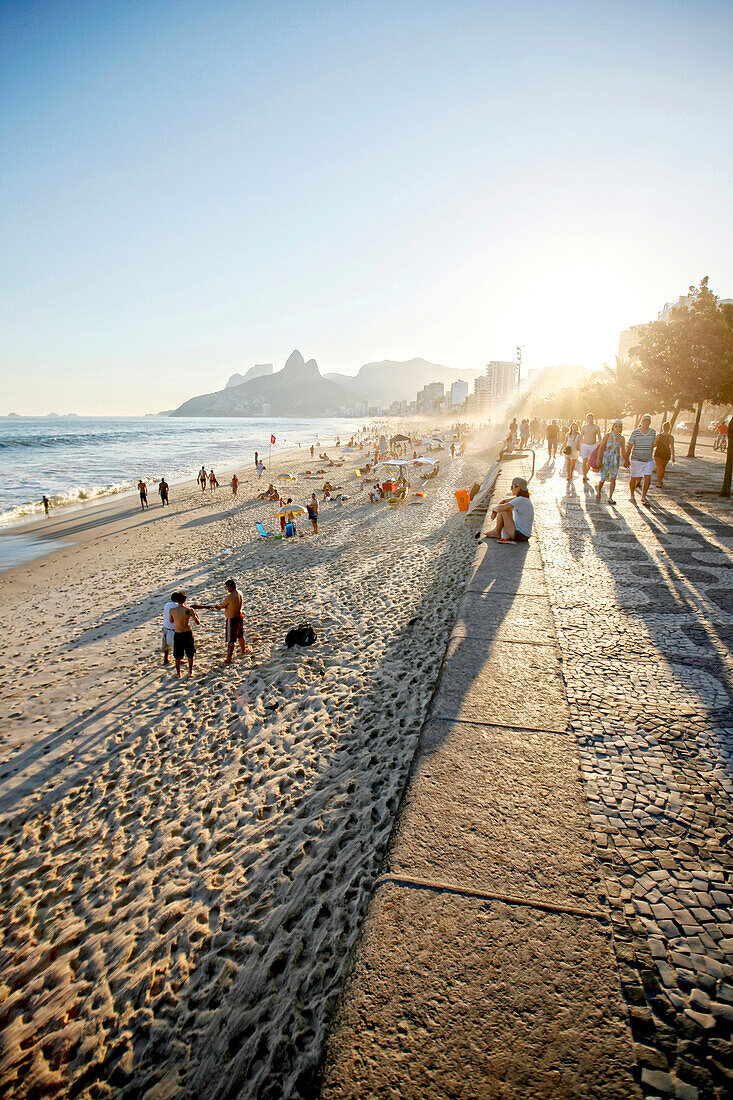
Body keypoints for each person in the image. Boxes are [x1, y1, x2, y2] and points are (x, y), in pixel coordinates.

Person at [196, 579, 245, 665]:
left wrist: (216, 607)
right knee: (240, 635)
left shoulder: (230, 597)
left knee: (231, 639)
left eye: (227, 587)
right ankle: (243, 650)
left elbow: (222, 606)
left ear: (229, 587)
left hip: (232, 619)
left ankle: (229, 658)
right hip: (239, 616)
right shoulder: (240, 593)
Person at [484, 477, 534, 543]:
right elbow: (504, 502)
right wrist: (501, 504)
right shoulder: (523, 498)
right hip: (524, 535)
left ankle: (496, 532)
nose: (511, 489)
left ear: (518, 488)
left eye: (512, 487)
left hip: (520, 535)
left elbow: (500, 508)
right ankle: (496, 531)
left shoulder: (520, 500)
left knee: (503, 510)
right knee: (505, 508)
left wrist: (494, 510)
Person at [626, 414, 656, 506]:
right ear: (641, 422)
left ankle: (643, 496)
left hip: (648, 459)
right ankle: (632, 495)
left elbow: (653, 444)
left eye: (648, 421)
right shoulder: (635, 432)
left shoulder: (653, 432)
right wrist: (626, 458)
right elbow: (630, 445)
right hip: (636, 459)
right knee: (634, 477)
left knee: (648, 477)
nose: (646, 423)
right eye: (645, 421)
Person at [170, 592, 200, 678]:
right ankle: (190, 671)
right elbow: (197, 622)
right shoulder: (189, 610)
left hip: (178, 632)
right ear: (185, 600)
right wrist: (195, 614)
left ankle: (178, 672)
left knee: (177, 655)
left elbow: (171, 620)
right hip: (187, 632)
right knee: (190, 653)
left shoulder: (172, 610)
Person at [595, 420, 625, 504]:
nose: (618, 428)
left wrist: (626, 459)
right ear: (613, 426)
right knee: (603, 477)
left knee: (613, 478)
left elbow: (623, 451)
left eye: (619, 426)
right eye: (616, 426)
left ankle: (610, 497)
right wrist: (598, 459)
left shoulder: (621, 438)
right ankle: (599, 492)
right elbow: (601, 448)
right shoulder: (607, 436)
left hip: (615, 460)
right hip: (606, 459)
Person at [580, 414, 602, 483]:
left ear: (593, 419)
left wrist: (599, 445)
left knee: (590, 461)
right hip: (585, 445)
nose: (590, 420)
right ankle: (584, 476)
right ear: (586, 419)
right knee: (584, 460)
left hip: (593, 445)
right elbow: (581, 436)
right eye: (588, 418)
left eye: (591, 418)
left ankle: (585, 474)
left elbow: (599, 437)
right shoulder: (584, 427)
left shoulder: (596, 427)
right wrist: (582, 443)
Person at [653, 422, 675, 487]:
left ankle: (659, 482)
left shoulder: (658, 436)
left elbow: (655, 444)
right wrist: (673, 456)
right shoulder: (671, 437)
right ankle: (660, 481)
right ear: (669, 428)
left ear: (663, 427)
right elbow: (672, 447)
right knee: (663, 468)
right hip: (666, 453)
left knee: (659, 468)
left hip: (658, 452)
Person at [161, 591, 179, 665]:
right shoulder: (177, 606)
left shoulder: (167, 605)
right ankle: (177, 659)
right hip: (174, 628)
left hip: (165, 626)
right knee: (177, 646)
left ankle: (166, 658)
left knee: (166, 645)